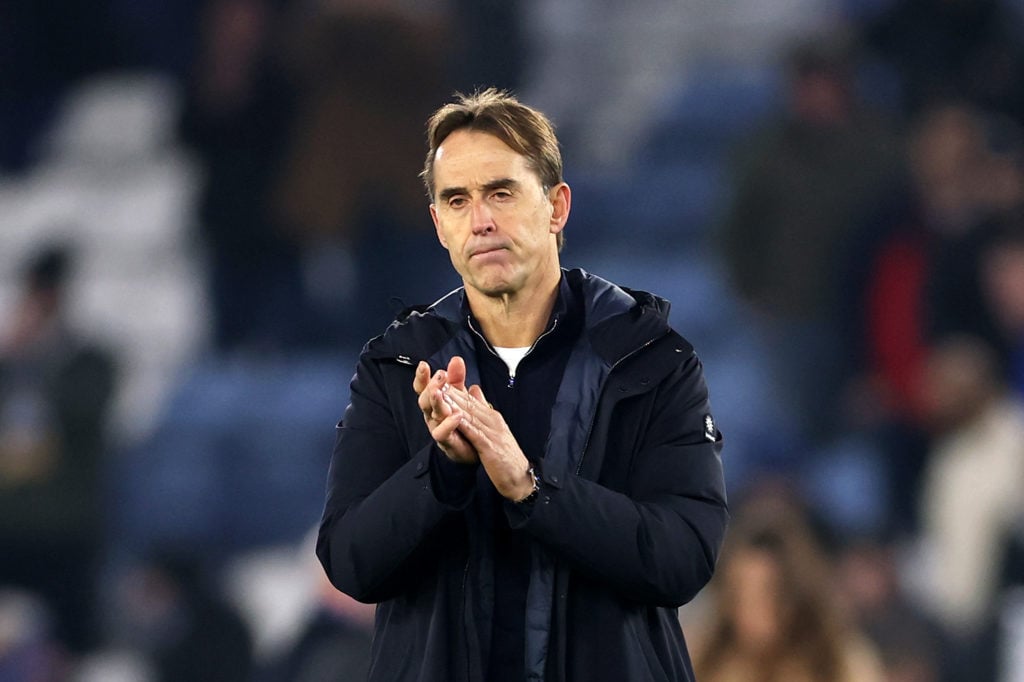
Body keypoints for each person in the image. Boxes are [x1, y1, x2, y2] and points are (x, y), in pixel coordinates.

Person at [316, 89, 728, 682]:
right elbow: (351, 563)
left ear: (557, 207)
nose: (480, 220)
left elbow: (684, 557)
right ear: (438, 225)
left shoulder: (652, 359)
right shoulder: (398, 366)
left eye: (501, 193)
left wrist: (534, 492)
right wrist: (442, 472)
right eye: (456, 200)